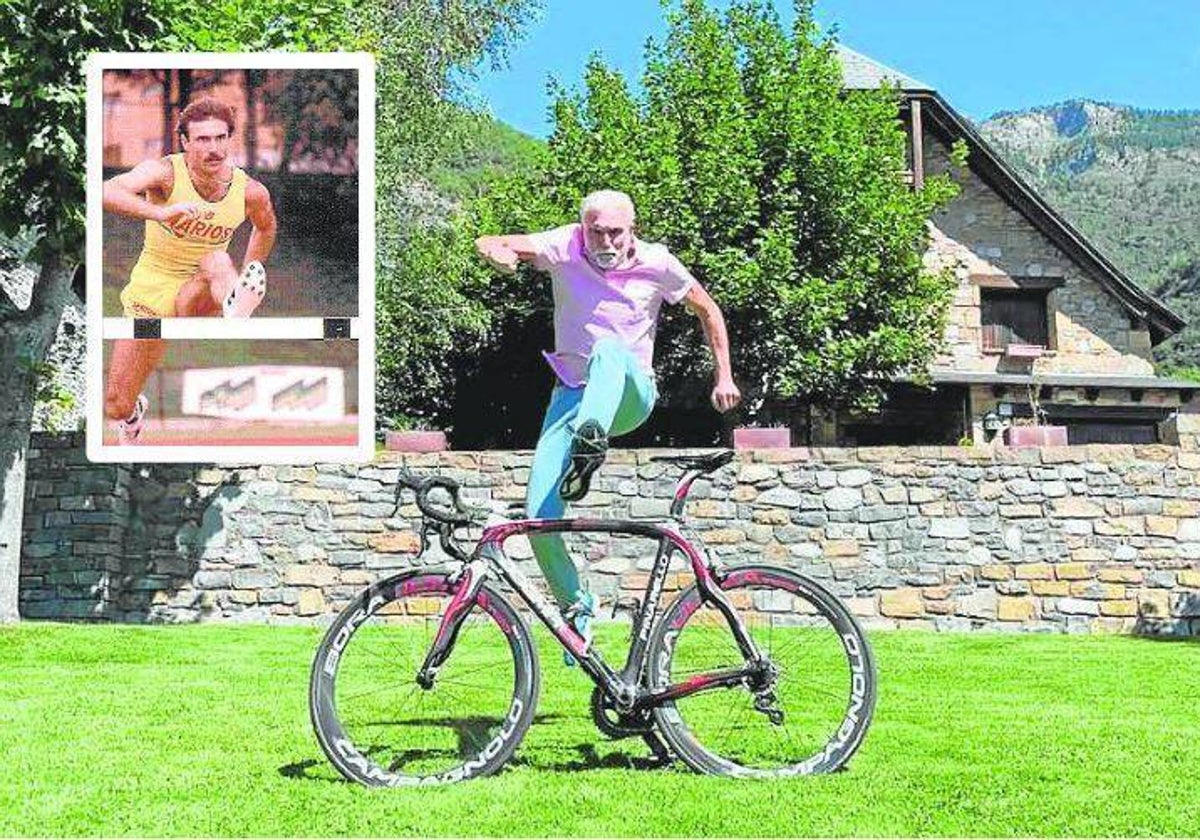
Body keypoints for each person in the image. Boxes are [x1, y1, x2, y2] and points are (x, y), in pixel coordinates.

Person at [475, 189, 741, 660]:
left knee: (609, 349)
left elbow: (708, 308)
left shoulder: (658, 263)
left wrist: (724, 375)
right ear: (583, 230)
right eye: (595, 231)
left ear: (631, 230)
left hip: (629, 394)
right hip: (572, 398)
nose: (605, 240)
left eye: (615, 232)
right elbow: (497, 241)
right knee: (538, 515)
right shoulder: (564, 244)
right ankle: (578, 607)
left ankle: (590, 439)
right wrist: (496, 252)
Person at [102, 97, 277, 444]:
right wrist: (161, 213)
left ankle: (235, 298)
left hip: (197, 291)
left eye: (220, 138)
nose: (213, 149)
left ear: (229, 139)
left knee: (215, 261)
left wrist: (252, 267)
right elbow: (107, 191)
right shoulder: (165, 173)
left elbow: (266, 227)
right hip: (150, 292)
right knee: (115, 406)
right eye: (202, 140)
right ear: (185, 142)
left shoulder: (250, 192)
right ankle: (134, 414)